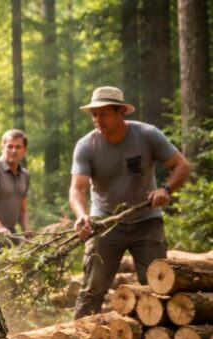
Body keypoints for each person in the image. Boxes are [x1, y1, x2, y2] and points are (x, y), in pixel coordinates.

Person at [70, 86, 191, 319]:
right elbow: (78, 188)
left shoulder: (147, 134)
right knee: (93, 287)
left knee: (159, 284)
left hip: (147, 221)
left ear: (121, 112)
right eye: (94, 114)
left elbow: (182, 165)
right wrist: (81, 215)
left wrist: (165, 189)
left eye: (104, 113)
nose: (97, 119)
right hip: (105, 222)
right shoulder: (86, 146)